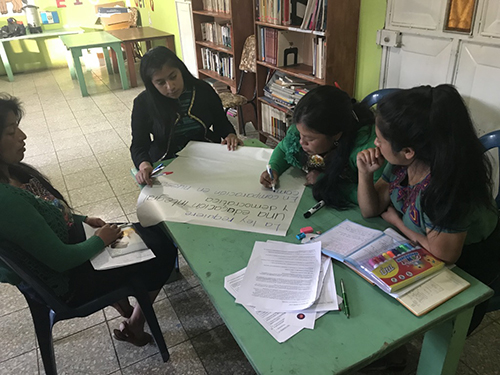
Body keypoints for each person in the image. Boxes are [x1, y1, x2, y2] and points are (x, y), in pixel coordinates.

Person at [0, 95, 177, 347]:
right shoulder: (6, 201)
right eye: (11, 131)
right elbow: (61, 260)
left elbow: (43, 212)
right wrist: (99, 242)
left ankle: (126, 303)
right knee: (163, 249)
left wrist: (82, 219)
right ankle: (135, 323)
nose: (22, 135)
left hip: (74, 245)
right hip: (70, 282)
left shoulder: (12, 173)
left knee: (145, 233)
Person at [356, 84, 500, 333]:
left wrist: (397, 222)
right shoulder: (402, 164)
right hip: (427, 244)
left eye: (380, 140)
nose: (376, 144)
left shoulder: (449, 187)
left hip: (470, 262)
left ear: (409, 150)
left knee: (398, 312)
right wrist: (365, 175)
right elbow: (371, 209)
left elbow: (443, 254)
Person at [131, 46, 242, 186]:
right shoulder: (143, 103)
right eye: (161, 83)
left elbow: (221, 123)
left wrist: (230, 135)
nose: (170, 86)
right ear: (151, 84)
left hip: (208, 155)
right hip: (167, 161)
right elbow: (139, 145)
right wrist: (144, 165)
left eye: (173, 77)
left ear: (181, 70)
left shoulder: (203, 90)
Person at [260, 85, 384, 209]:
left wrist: (325, 181)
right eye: (300, 135)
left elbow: (372, 198)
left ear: (336, 135)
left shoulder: (367, 150)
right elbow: (283, 148)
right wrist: (274, 168)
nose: (302, 141)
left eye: (310, 139)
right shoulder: (305, 127)